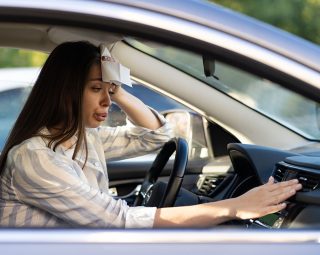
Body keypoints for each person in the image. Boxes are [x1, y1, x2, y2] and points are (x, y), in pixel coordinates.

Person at [0, 41, 301, 228]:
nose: (107, 101)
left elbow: (155, 137)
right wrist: (234, 207)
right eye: (95, 89)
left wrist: (118, 91)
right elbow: (118, 221)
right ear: (64, 92)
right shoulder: (35, 156)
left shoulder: (82, 138)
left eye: (110, 91)